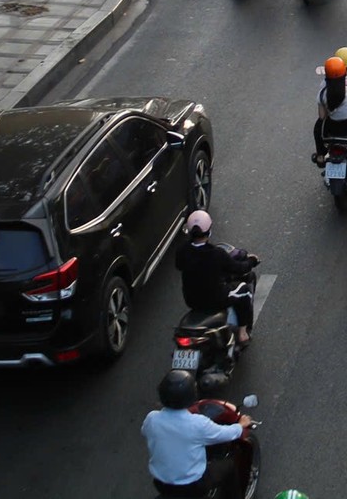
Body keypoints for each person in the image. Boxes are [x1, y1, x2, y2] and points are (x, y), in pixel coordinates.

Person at [142, 370, 253, 496]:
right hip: (193, 486)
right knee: (229, 467)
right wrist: (241, 425)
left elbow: (146, 432)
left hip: (161, 484)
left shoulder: (152, 419)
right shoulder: (197, 424)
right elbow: (225, 434)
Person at [174, 210, 258, 347]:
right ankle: (243, 333)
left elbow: (179, 265)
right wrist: (251, 262)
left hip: (192, 300)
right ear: (209, 230)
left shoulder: (182, 251)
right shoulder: (216, 254)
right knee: (244, 291)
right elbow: (239, 268)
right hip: (217, 298)